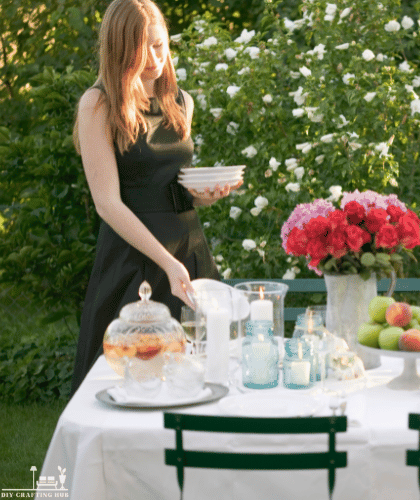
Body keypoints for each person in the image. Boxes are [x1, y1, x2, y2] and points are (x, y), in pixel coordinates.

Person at [70, 0, 241, 394]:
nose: (153, 57)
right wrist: (165, 263)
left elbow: (176, 192)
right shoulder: (97, 105)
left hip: (190, 253)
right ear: (118, 50)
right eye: (140, 48)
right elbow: (108, 203)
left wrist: (206, 197)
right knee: (131, 381)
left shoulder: (181, 101)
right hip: (136, 260)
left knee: (200, 379)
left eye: (160, 45)